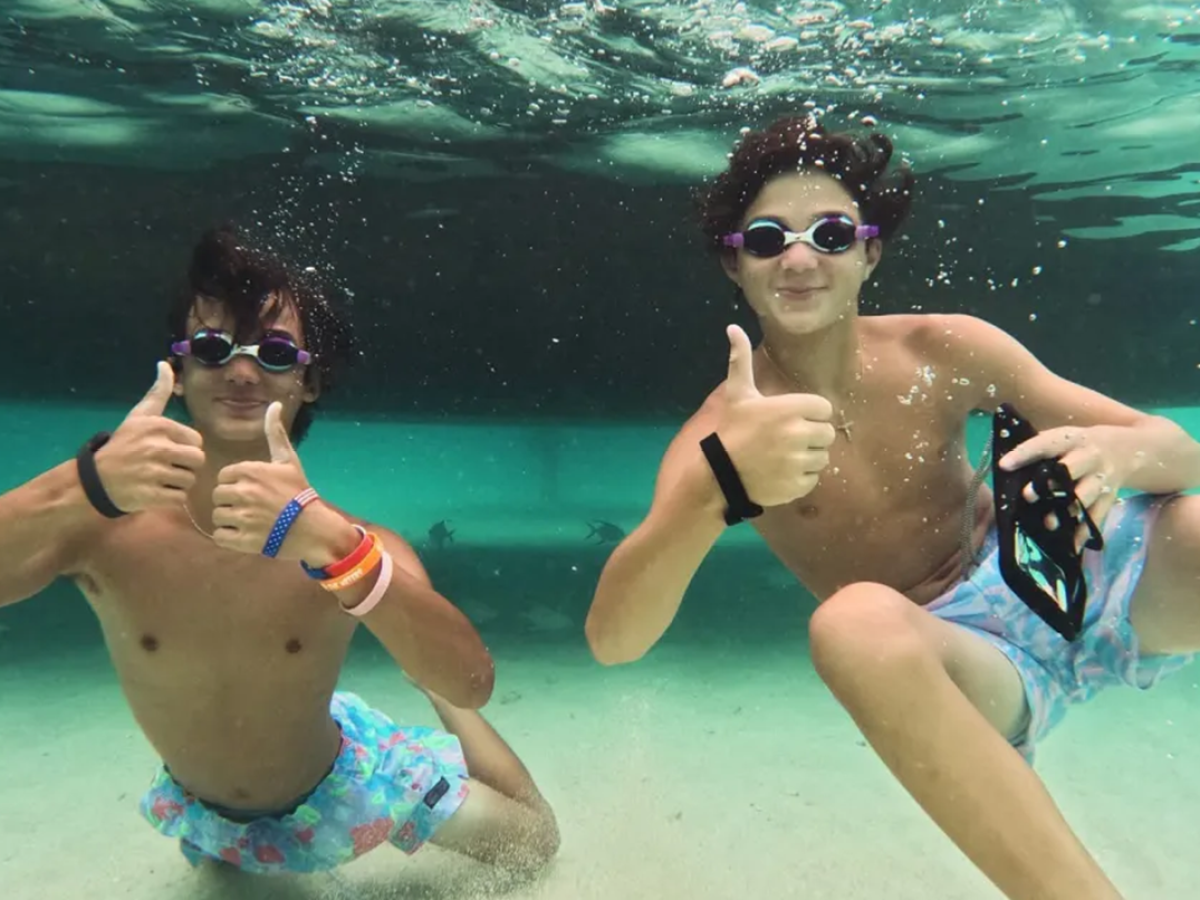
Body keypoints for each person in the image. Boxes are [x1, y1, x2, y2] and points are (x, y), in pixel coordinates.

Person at [584, 115, 1200, 900]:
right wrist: (716, 492)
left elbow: (1179, 453)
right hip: (968, 660)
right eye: (769, 238)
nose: (800, 256)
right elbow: (613, 641)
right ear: (736, 266)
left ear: (868, 251)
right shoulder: (721, 436)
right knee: (853, 624)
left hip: (1073, 567)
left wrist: (1116, 453)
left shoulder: (942, 348)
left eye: (831, 233)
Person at [0, 225, 559, 877]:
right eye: (212, 347)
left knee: (532, 845)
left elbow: (470, 682)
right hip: (201, 805)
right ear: (177, 372)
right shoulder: (105, 522)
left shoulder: (353, 543)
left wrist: (340, 553)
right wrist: (85, 481)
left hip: (343, 790)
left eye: (271, 352)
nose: (240, 370)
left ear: (309, 380)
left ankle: (422, 725)